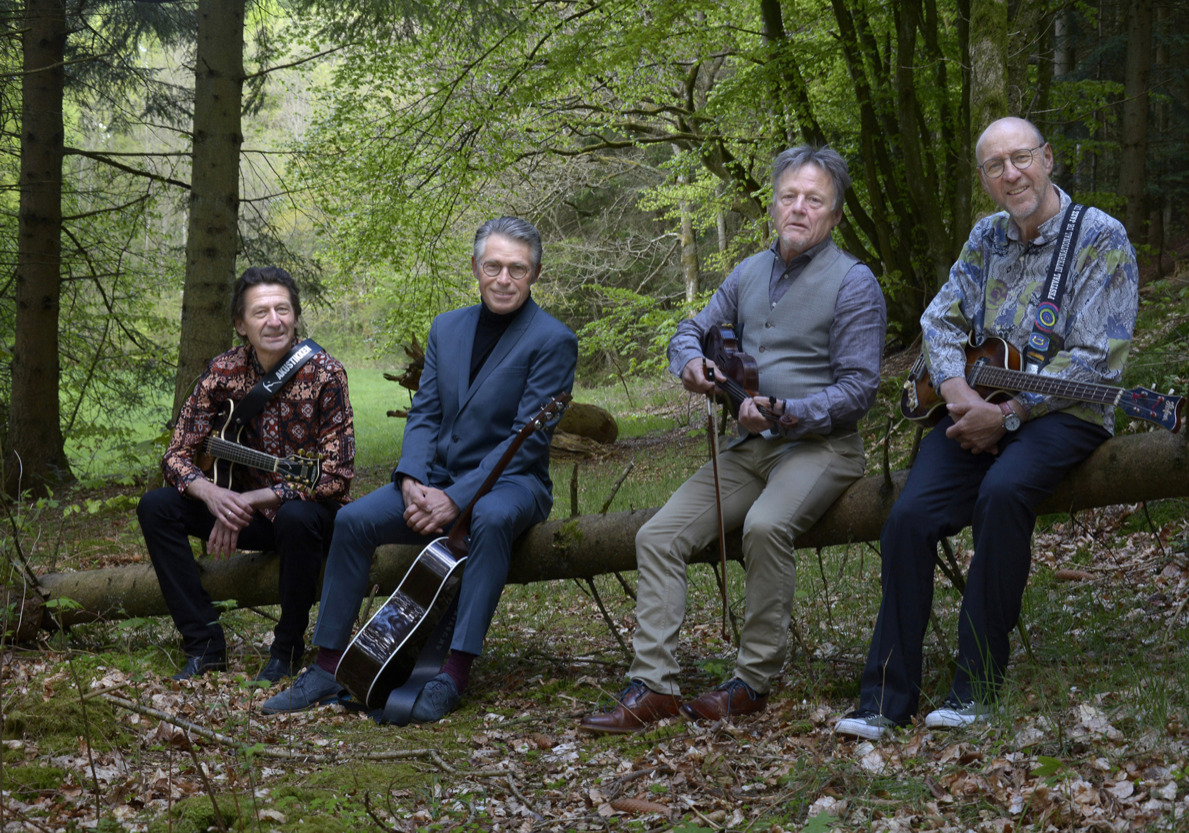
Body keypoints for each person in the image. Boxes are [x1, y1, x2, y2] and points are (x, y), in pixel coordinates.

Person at [834, 117, 1139, 740]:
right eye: (996, 166)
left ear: (1047, 159)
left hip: (1065, 415)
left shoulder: (1100, 237)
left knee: (1002, 495)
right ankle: (884, 700)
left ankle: (975, 690)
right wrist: (956, 392)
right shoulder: (986, 238)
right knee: (909, 519)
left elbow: (1097, 359)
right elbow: (940, 318)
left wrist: (1008, 413)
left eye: (1021, 158)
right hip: (974, 406)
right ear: (985, 179)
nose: (1011, 174)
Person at [580, 146, 887, 734]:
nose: (798, 208)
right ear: (773, 204)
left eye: (814, 200)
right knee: (658, 534)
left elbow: (859, 391)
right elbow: (689, 328)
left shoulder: (854, 283)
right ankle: (655, 687)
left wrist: (785, 411)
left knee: (765, 526)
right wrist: (689, 361)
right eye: (789, 196)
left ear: (835, 214)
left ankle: (751, 681)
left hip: (822, 448)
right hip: (747, 451)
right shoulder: (748, 272)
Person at [261, 216, 578, 722]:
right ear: (475, 267)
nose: (503, 278)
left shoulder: (553, 339)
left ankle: (452, 672)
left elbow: (527, 437)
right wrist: (411, 480)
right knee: (352, 520)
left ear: (534, 274)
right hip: (433, 480)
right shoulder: (447, 327)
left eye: (516, 269)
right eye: (492, 266)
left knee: (492, 519)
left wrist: (458, 500)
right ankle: (325, 667)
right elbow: (425, 412)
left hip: (514, 483)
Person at [138, 266, 355, 683]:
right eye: (260, 312)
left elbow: (336, 474)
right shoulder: (222, 373)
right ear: (240, 323)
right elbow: (177, 455)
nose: (274, 321)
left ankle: (286, 649)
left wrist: (249, 500)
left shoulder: (326, 374)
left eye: (282, 310)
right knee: (156, 507)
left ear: (295, 316)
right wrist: (211, 495)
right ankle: (204, 644)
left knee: (296, 516)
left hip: (306, 516)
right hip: (239, 511)